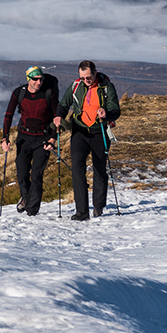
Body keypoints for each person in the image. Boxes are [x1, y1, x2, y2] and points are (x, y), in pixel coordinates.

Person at [59, 60, 121, 221]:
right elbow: (64, 104)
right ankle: (82, 211)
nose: (86, 80)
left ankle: (98, 206)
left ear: (95, 73)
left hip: (99, 132)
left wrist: (106, 114)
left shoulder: (107, 87)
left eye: (88, 77)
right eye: (82, 77)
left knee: (99, 170)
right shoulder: (76, 86)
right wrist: (59, 116)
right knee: (77, 171)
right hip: (79, 132)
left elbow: (116, 110)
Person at [1, 66, 60, 215]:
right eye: (35, 79)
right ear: (29, 79)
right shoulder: (18, 93)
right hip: (24, 138)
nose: (39, 82)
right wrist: (5, 137)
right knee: (21, 172)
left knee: (36, 175)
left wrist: (53, 139)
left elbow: (56, 117)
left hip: (43, 139)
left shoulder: (49, 93)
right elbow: (8, 115)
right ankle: (26, 198)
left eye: (41, 79)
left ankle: (32, 210)